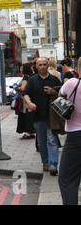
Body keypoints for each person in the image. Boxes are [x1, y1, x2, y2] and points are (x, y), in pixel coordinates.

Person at [23, 57, 62, 176]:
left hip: (51, 116)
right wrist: (30, 104)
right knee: (41, 141)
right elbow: (25, 94)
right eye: (40, 65)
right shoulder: (32, 80)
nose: (42, 67)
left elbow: (62, 94)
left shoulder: (54, 80)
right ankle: (45, 161)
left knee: (52, 140)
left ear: (48, 66)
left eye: (44, 64)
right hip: (37, 115)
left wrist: (53, 92)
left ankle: (53, 165)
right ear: (36, 66)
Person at [58, 57, 81, 204]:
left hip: (75, 137)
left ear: (78, 69)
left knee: (67, 180)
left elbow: (60, 96)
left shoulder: (72, 83)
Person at [16, 63, 35, 139]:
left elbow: (23, 88)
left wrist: (17, 88)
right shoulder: (31, 76)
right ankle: (31, 132)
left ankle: (27, 132)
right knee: (29, 115)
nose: (20, 69)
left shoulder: (25, 78)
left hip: (25, 99)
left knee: (26, 115)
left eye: (21, 68)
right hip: (30, 97)